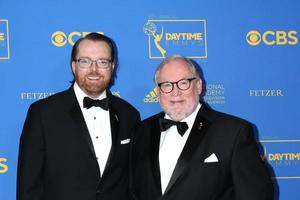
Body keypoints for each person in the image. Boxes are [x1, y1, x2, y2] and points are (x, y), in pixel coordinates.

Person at [130, 55, 274, 200]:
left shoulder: (233, 132)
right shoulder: (142, 131)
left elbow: (257, 194)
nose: (175, 92)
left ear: (198, 85)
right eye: (167, 85)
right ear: (158, 91)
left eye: (183, 83)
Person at [17, 32, 140, 200]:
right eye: (85, 61)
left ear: (112, 67)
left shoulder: (129, 115)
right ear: (73, 66)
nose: (94, 70)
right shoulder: (42, 113)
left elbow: (134, 184)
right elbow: (28, 187)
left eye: (102, 62)